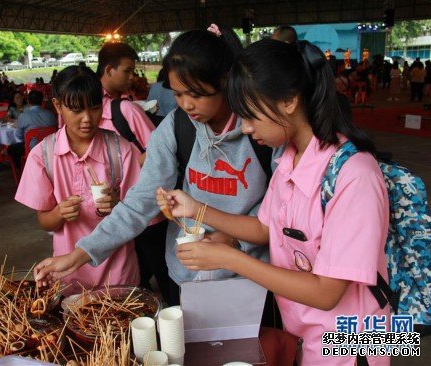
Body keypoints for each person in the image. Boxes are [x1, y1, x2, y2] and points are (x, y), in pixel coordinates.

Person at [159, 39, 389, 365]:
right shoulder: (290, 159)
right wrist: (196, 208)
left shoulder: (355, 175)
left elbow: (326, 292)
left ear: (289, 101)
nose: (246, 128)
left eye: (251, 116)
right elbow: (265, 228)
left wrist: (230, 258)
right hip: (306, 330)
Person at [34, 26, 282, 308]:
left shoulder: (262, 132)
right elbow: (139, 202)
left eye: (196, 94)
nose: (187, 104)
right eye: (177, 94)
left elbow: (280, 211)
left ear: (225, 80)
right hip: (186, 275)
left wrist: (236, 241)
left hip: (250, 279)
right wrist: (79, 254)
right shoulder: (177, 126)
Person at [15, 66, 142, 296]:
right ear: (57, 106)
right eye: (76, 110)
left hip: (118, 273)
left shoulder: (121, 151)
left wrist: (118, 204)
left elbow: (139, 214)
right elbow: (45, 222)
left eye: (94, 109)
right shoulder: (43, 156)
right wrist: (59, 213)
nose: (87, 119)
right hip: (69, 276)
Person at [96, 41, 170, 297]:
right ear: (109, 69)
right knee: (144, 275)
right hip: (127, 212)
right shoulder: (121, 109)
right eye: (127, 71)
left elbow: (156, 155)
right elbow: (158, 154)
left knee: (151, 271)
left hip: (133, 210)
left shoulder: (121, 108)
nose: (132, 77)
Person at [7, 90, 57, 168]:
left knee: (11, 149)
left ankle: (22, 171)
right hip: (51, 148)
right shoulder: (51, 114)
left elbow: (19, 136)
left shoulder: (23, 116)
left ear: (28, 101)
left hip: (32, 149)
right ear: (42, 101)